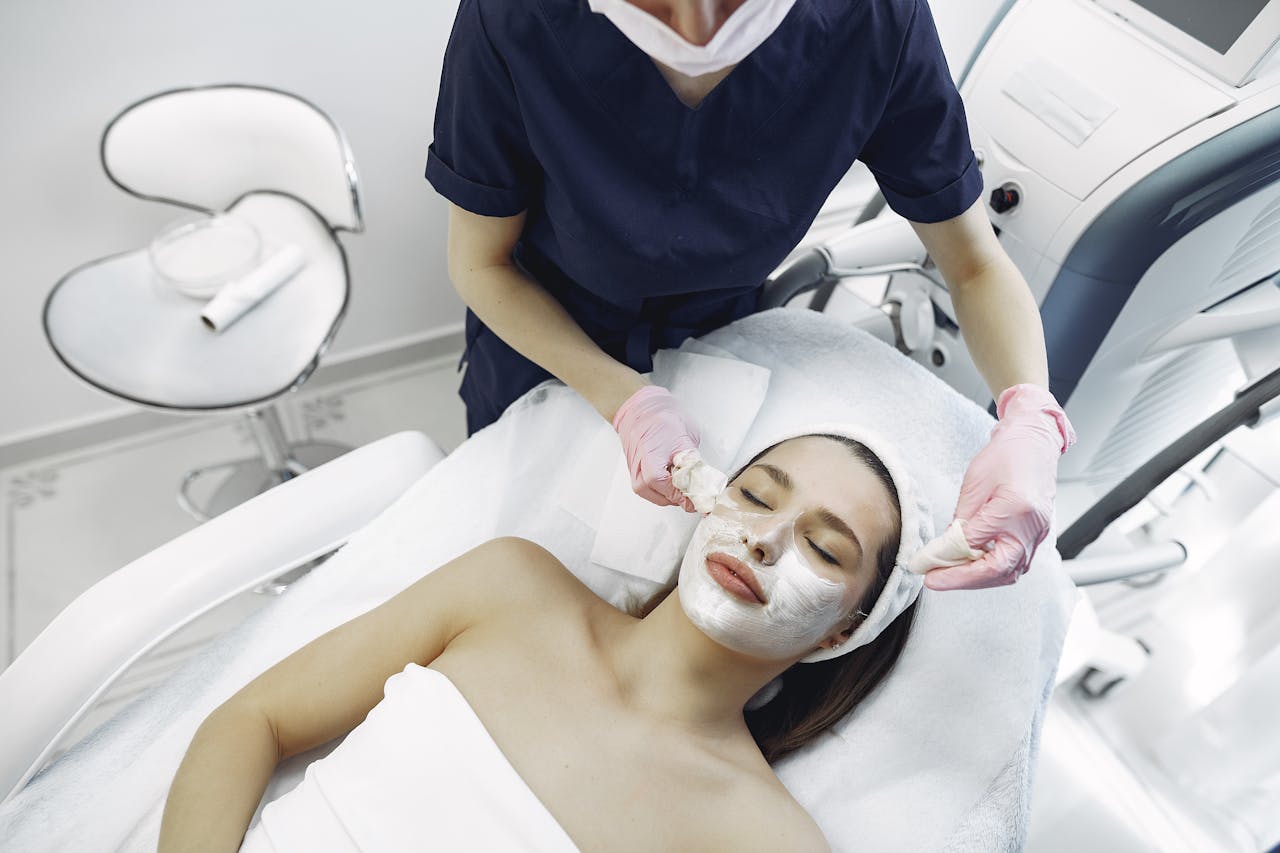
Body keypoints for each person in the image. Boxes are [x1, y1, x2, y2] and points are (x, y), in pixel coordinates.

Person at [427, 0, 1077, 593]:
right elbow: (482, 264)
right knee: (510, 547)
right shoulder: (514, 18)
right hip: (541, 336)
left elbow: (973, 265)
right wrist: (625, 400)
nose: (697, 25)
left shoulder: (874, 21)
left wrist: (1030, 418)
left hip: (722, 340)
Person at [158, 428, 926, 852]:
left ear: (843, 631)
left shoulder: (765, 840)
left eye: (825, 549)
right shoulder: (509, 588)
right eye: (756, 495)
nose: (764, 539)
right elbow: (249, 721)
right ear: (706, 505)